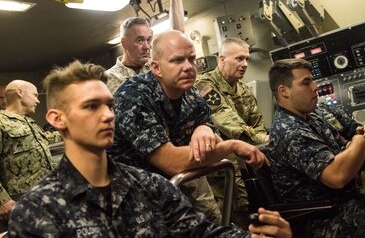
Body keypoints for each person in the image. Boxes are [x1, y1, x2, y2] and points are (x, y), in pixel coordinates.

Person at [7, 60, 292, 238]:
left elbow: (201, 232)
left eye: (110, 105)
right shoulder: (38, 210)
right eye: (92, 106)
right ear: (58, 120)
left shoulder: (150, 186)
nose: (107, 115)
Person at [110, 30, 269, 225]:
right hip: (134, 198)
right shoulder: (133, 95)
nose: (188, 67)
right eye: (177, 61)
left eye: (191, 59)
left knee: (215, 223)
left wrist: (203, 129)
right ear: (156, 68)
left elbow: (213, 139)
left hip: (178, 185)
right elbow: (172, 161)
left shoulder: (191, 94)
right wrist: (232, 146)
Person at [265, 58, 365, 237]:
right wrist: (359, 143)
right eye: (306, 83)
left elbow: (355, 129)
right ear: (284, 91)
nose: (315, 87)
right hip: (326, 215)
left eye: (313, 80)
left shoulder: (318, 112)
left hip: (351, 194)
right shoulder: (289, 131)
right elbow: (336, 176)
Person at [194, 37, 268, 228]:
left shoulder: (243, 89)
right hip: (221, 166)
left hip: (247, 162)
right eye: (238, 59)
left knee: (252, 210)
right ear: (222, 59)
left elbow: (257, 122)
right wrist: (263, 140)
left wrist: (263, 143)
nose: (244, 64)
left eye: (246, 59)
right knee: (227, 217)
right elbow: (227, 121)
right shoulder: (204, 85)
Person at [105, 0, 185, 93]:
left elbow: (178, 36)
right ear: (124, 43)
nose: (147, 46)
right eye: (140, 40)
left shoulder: (156, 68)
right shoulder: (107, 79)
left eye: (149, 40)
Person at [0, 80, 61, 232]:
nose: (38, 100)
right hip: (18, 200)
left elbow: (47, 139)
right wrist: (2, 200)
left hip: (43, 195)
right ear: (20, 93)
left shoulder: (29, 122)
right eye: (34, 95)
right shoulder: (1, 122)